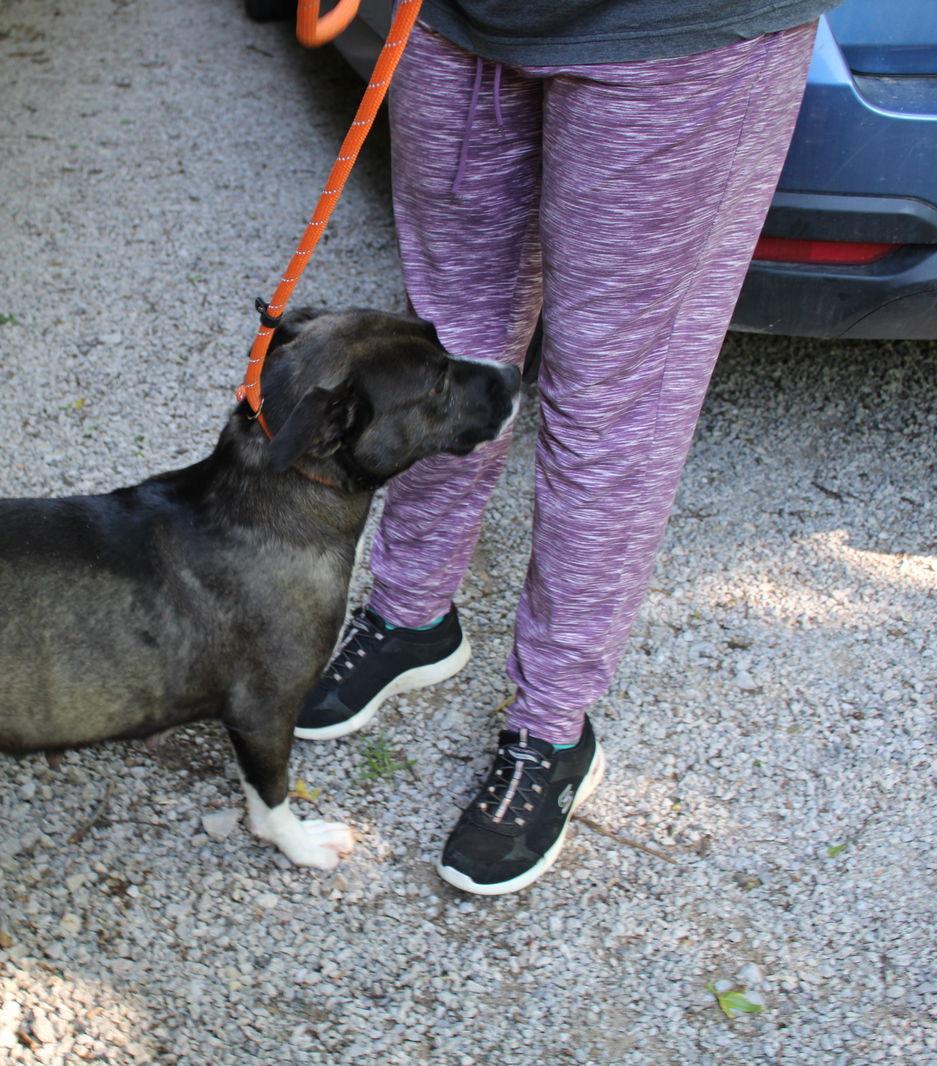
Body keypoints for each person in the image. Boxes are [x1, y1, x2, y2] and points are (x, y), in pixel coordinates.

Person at [295, 0, 840, 895]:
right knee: (444, 348)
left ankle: (551, 727)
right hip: (456, 20)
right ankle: (410, 616)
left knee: (610, 397)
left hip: (677, 35)